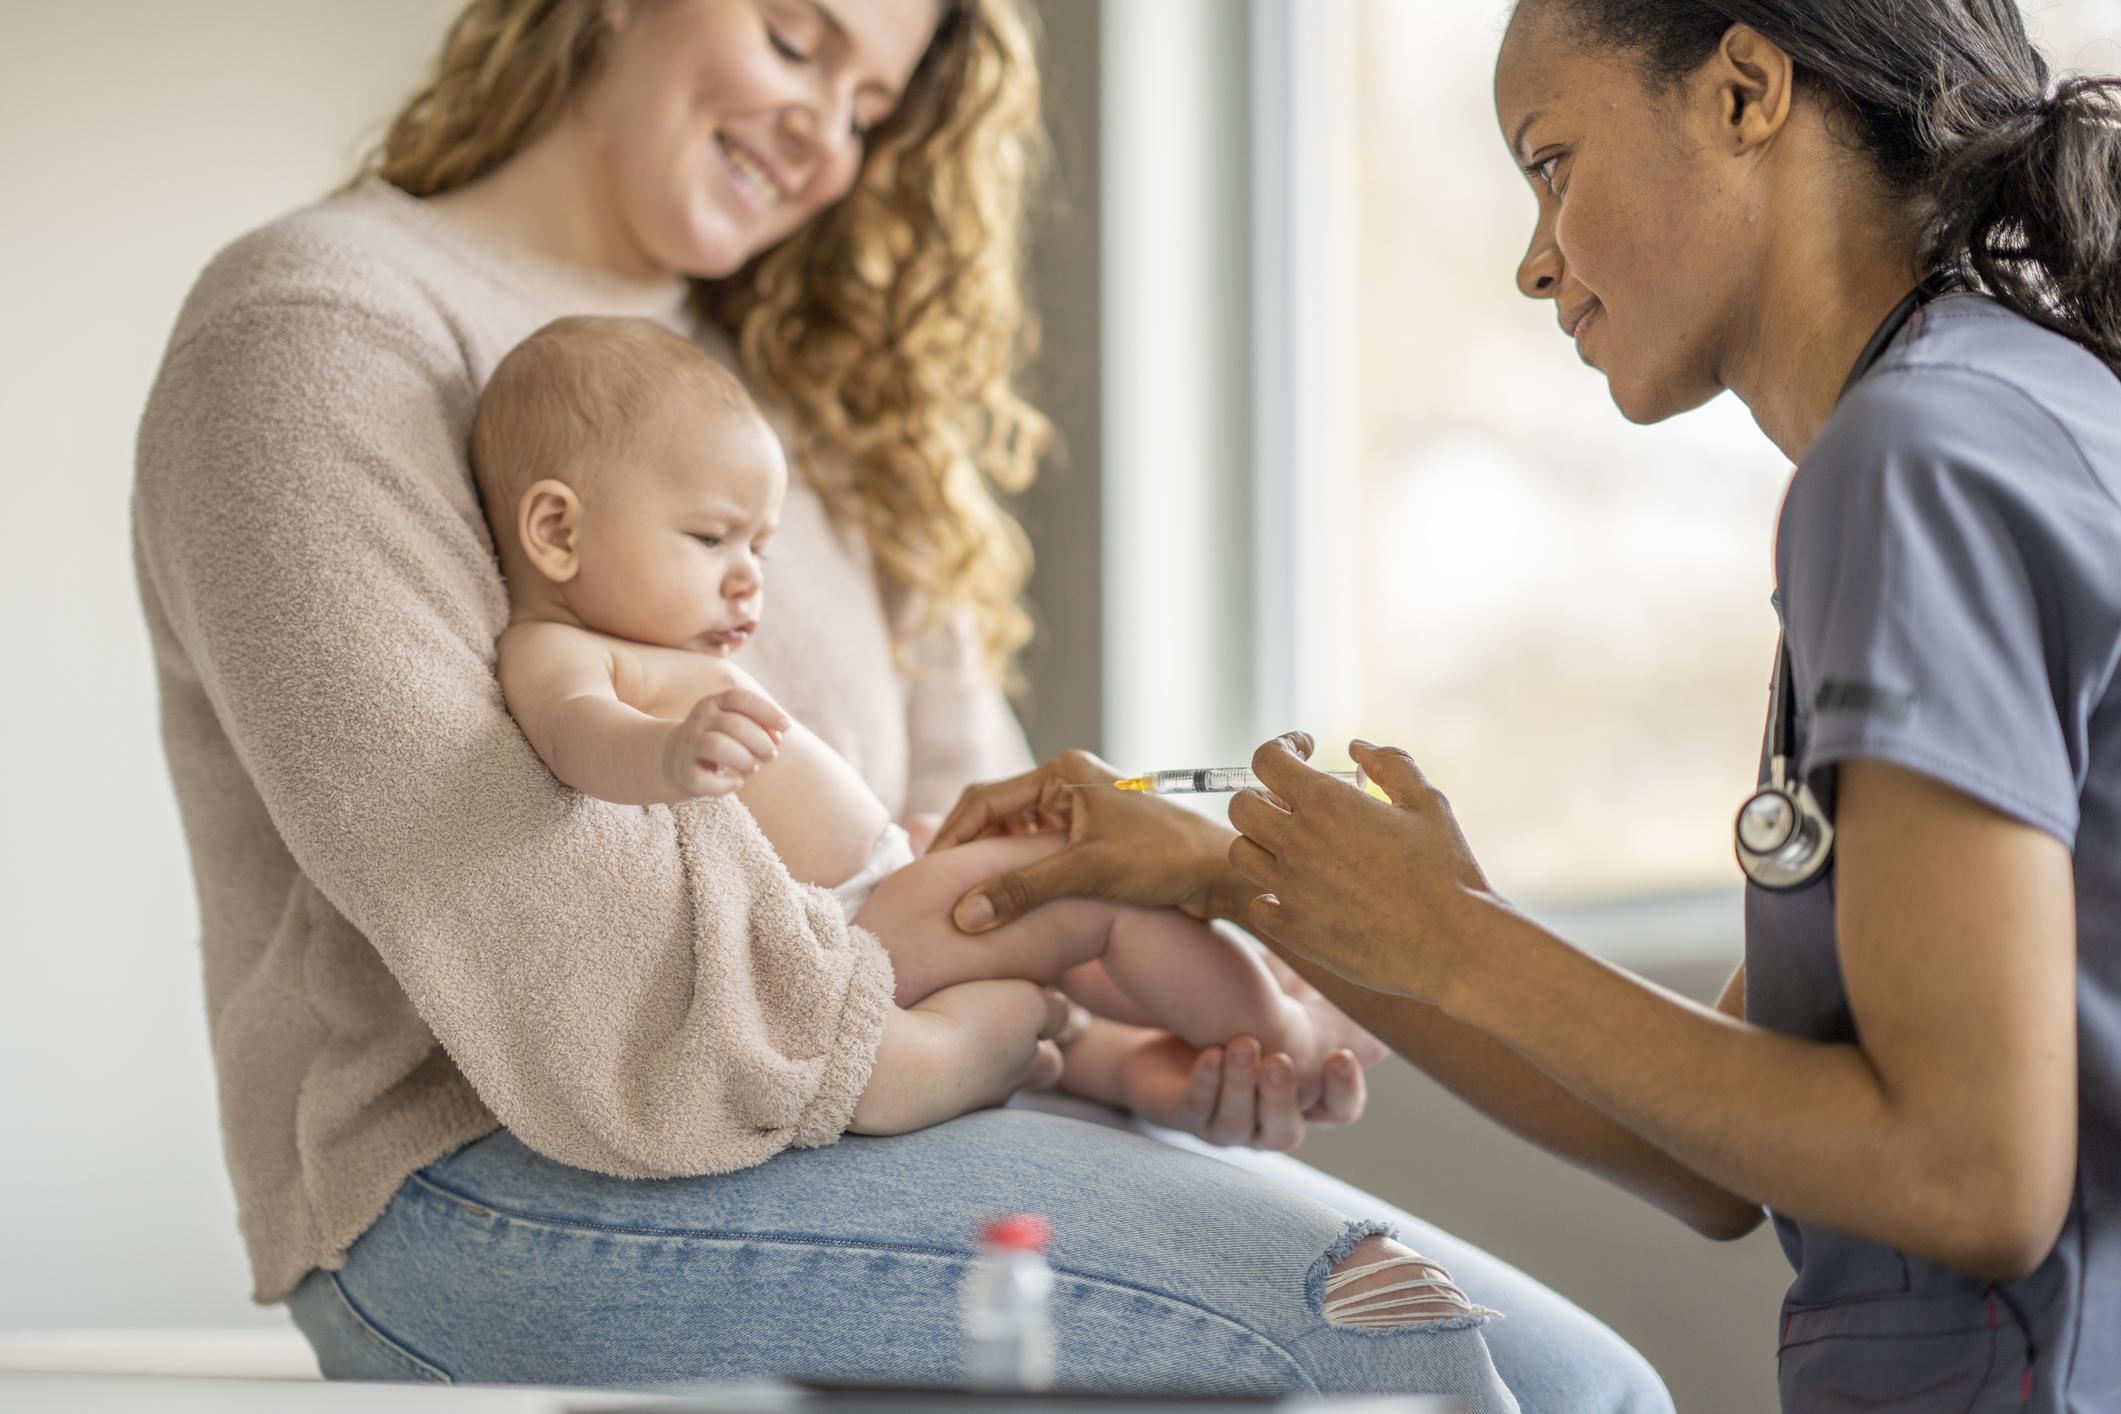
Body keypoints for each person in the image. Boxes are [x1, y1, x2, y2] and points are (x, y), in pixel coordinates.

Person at [132, 0, 1668, 1407]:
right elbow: (591, 995)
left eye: (869, 101)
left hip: (856, 1100)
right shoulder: (326, 335)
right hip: (498, 1190)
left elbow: (975, 838)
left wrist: (1092, 1045)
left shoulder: (790, 400)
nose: (826, 134)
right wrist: (973, 1027)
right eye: (799, 43)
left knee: (1593, 1382)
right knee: (1459, 1355)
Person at [937, 2, 2121, 1410]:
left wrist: (1459, 936)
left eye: (1552, 160)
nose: (1534, 259)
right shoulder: (2003, 414)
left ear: (1744, 90)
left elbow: (1965, 1172)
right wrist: (1234, 877)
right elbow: (1715, 1148)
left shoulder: (1909, 463)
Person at [475, 314, 1376, 1108]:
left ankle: (1161, 1045)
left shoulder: (662, 650)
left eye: (760, 545)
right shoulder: (556, 650)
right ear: (557, 532)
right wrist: (668, 754)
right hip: (844, 928)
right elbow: (574, 735)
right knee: (1093, 890)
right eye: (710, 538)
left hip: (873, 889)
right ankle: (1288, 1041)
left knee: (1068, 930)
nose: (749, 575)